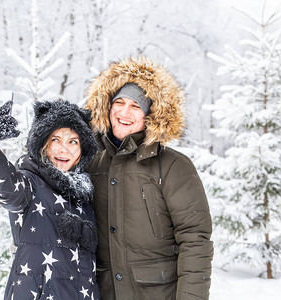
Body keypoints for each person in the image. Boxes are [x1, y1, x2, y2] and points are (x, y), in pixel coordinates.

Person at [84, 57, 213, 300]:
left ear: (150, 115)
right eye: (119, 103)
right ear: (107, 107)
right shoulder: (92, 162)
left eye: (135, 106)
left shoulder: (175, 166)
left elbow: (195, 241)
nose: (124, 112)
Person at [0, 99, 100, 300]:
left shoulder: (84, 196)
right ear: (43, 143)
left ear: (82, 150)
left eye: (73, 141)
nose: (65, 149)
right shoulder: (30, 184)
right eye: (56, 140)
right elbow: (8, 188)